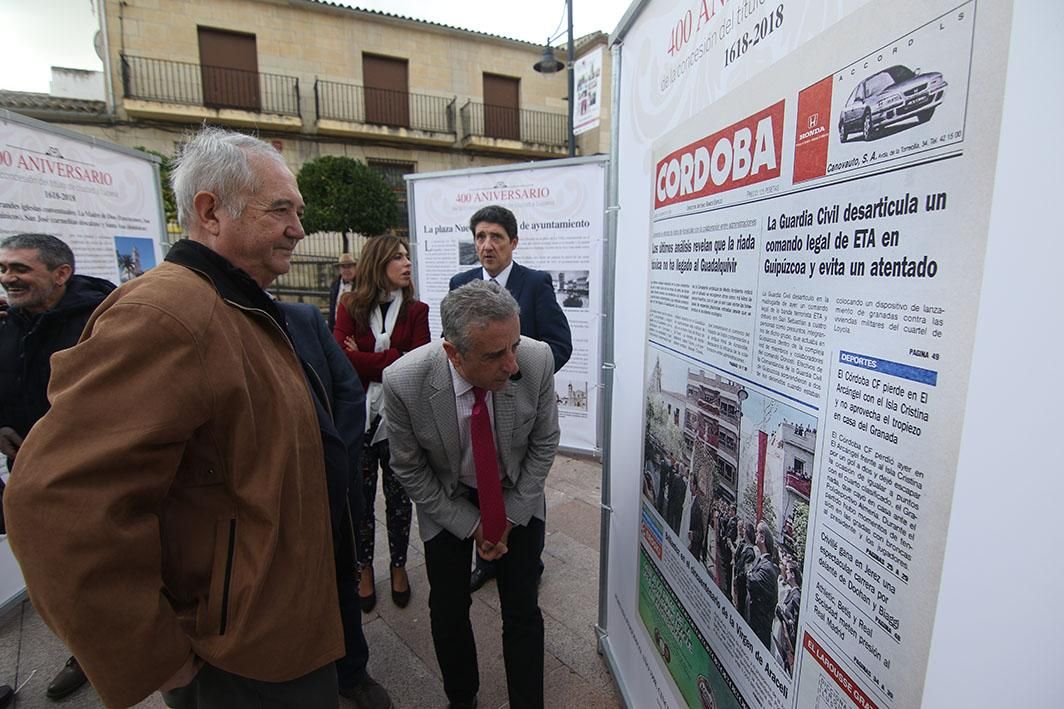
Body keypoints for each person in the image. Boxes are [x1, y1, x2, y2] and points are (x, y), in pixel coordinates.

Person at [3, 127, 348, 708]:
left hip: (280, 628)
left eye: (299, 212)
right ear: (211, 212)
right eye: (282, 210)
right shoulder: (168, 313)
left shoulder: (231, 303)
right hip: (236, 655)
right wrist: (158, 658)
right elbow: (56, 503)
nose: (299, 229)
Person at [383, 279, 559, 709]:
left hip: (514, 491)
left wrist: (510, 516)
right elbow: (408, 466)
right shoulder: (404, 381)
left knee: (522, 607)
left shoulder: (535, 359)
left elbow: (544, 444)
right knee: (447, 609)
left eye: (514, 345)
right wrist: (471, 523)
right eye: (495, 355)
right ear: (452, 353)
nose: (512, 365)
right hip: (448, 496)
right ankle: (462, 698)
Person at [0, 233, 115, 701]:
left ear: (60, 274)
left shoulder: (102, 317)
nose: (9, 277)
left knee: (93, 567)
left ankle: (95, 654)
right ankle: (84, 645)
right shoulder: (7, 320)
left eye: (20, 269)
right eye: (4, 268)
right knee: (51, 571)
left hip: (87, 471)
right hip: (25, 469)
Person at [450, 205, 571, 593]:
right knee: (478, 479)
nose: (487, 245)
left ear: (513, 243)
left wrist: (515, 374)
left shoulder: (534, 283)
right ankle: (485, 559)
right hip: (473, 408)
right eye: (480, 237)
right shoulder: (461, 282)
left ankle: (526, 559)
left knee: (523, 480)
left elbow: (559, 346)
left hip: (518, 406)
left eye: (496, 237)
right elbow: (453, 347)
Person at [279, 301, 392, 707]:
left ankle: (351, 672)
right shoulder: (206, 318)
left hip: (329, 489)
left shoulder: (303, 318)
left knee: (342, 581)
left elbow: (347, 389)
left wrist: (332, 462)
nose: (294, 232)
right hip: (269, 502)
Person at [333, 234, 429, 612]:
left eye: (407, 257)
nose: (407, 263)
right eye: (398, 257)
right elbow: (340, 359)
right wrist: (393, 356)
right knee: (359, 501)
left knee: (399, 500)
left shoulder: (416, 310)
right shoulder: (349, 306)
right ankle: (364, 568)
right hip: (360, 421)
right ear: (378, 263)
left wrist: (369, 356)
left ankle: (400, 566)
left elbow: (418, 363)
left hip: (399, 422)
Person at [746, 521, 781, 650]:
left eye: (757, 532)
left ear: (762, 537)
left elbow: (751, 581)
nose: (754, 534)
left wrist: (748, 573)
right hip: (754, 624)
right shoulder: (762, 562)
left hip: (759, 629)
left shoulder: (767, 567)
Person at [732, 520, 757, 621]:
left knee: (740, 607)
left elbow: (746, 572)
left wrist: (737, 578)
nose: (742, 530)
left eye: (744, 529)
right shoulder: (744, 545)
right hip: (737, 581)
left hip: (741, 586)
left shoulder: (750, 552)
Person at [328, 252, 358, 330]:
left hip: (354, 328)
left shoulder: (361, 285)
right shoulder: (335, 285)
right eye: (343, 267)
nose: (346, 270)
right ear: (339, 269)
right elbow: (332, 308)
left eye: (349, 267)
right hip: (337, 326)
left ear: (355, 268)